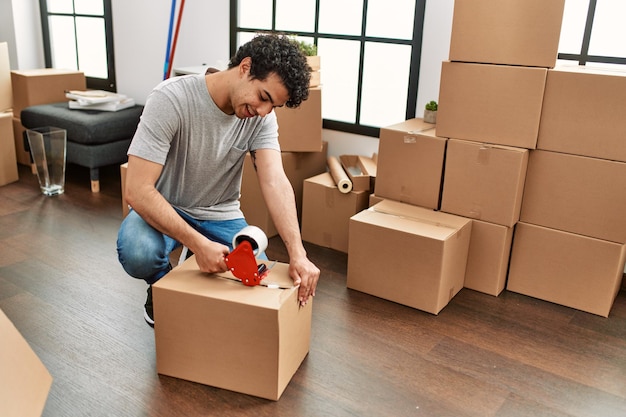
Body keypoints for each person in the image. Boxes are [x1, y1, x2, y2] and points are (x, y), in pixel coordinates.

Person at [116, 34, 320, 326]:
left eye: (273, 106)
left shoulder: (260, 118)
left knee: (253, 266)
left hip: (218, 213)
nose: (263, 111)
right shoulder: (171, 98)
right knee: (138, 252)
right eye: (263, 97)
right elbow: (136, 191)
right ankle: (161, 287)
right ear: (245, 67)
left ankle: (191, 268)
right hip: (163, 206)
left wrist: (298, 253)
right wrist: (199, 245)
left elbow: (275, 181)